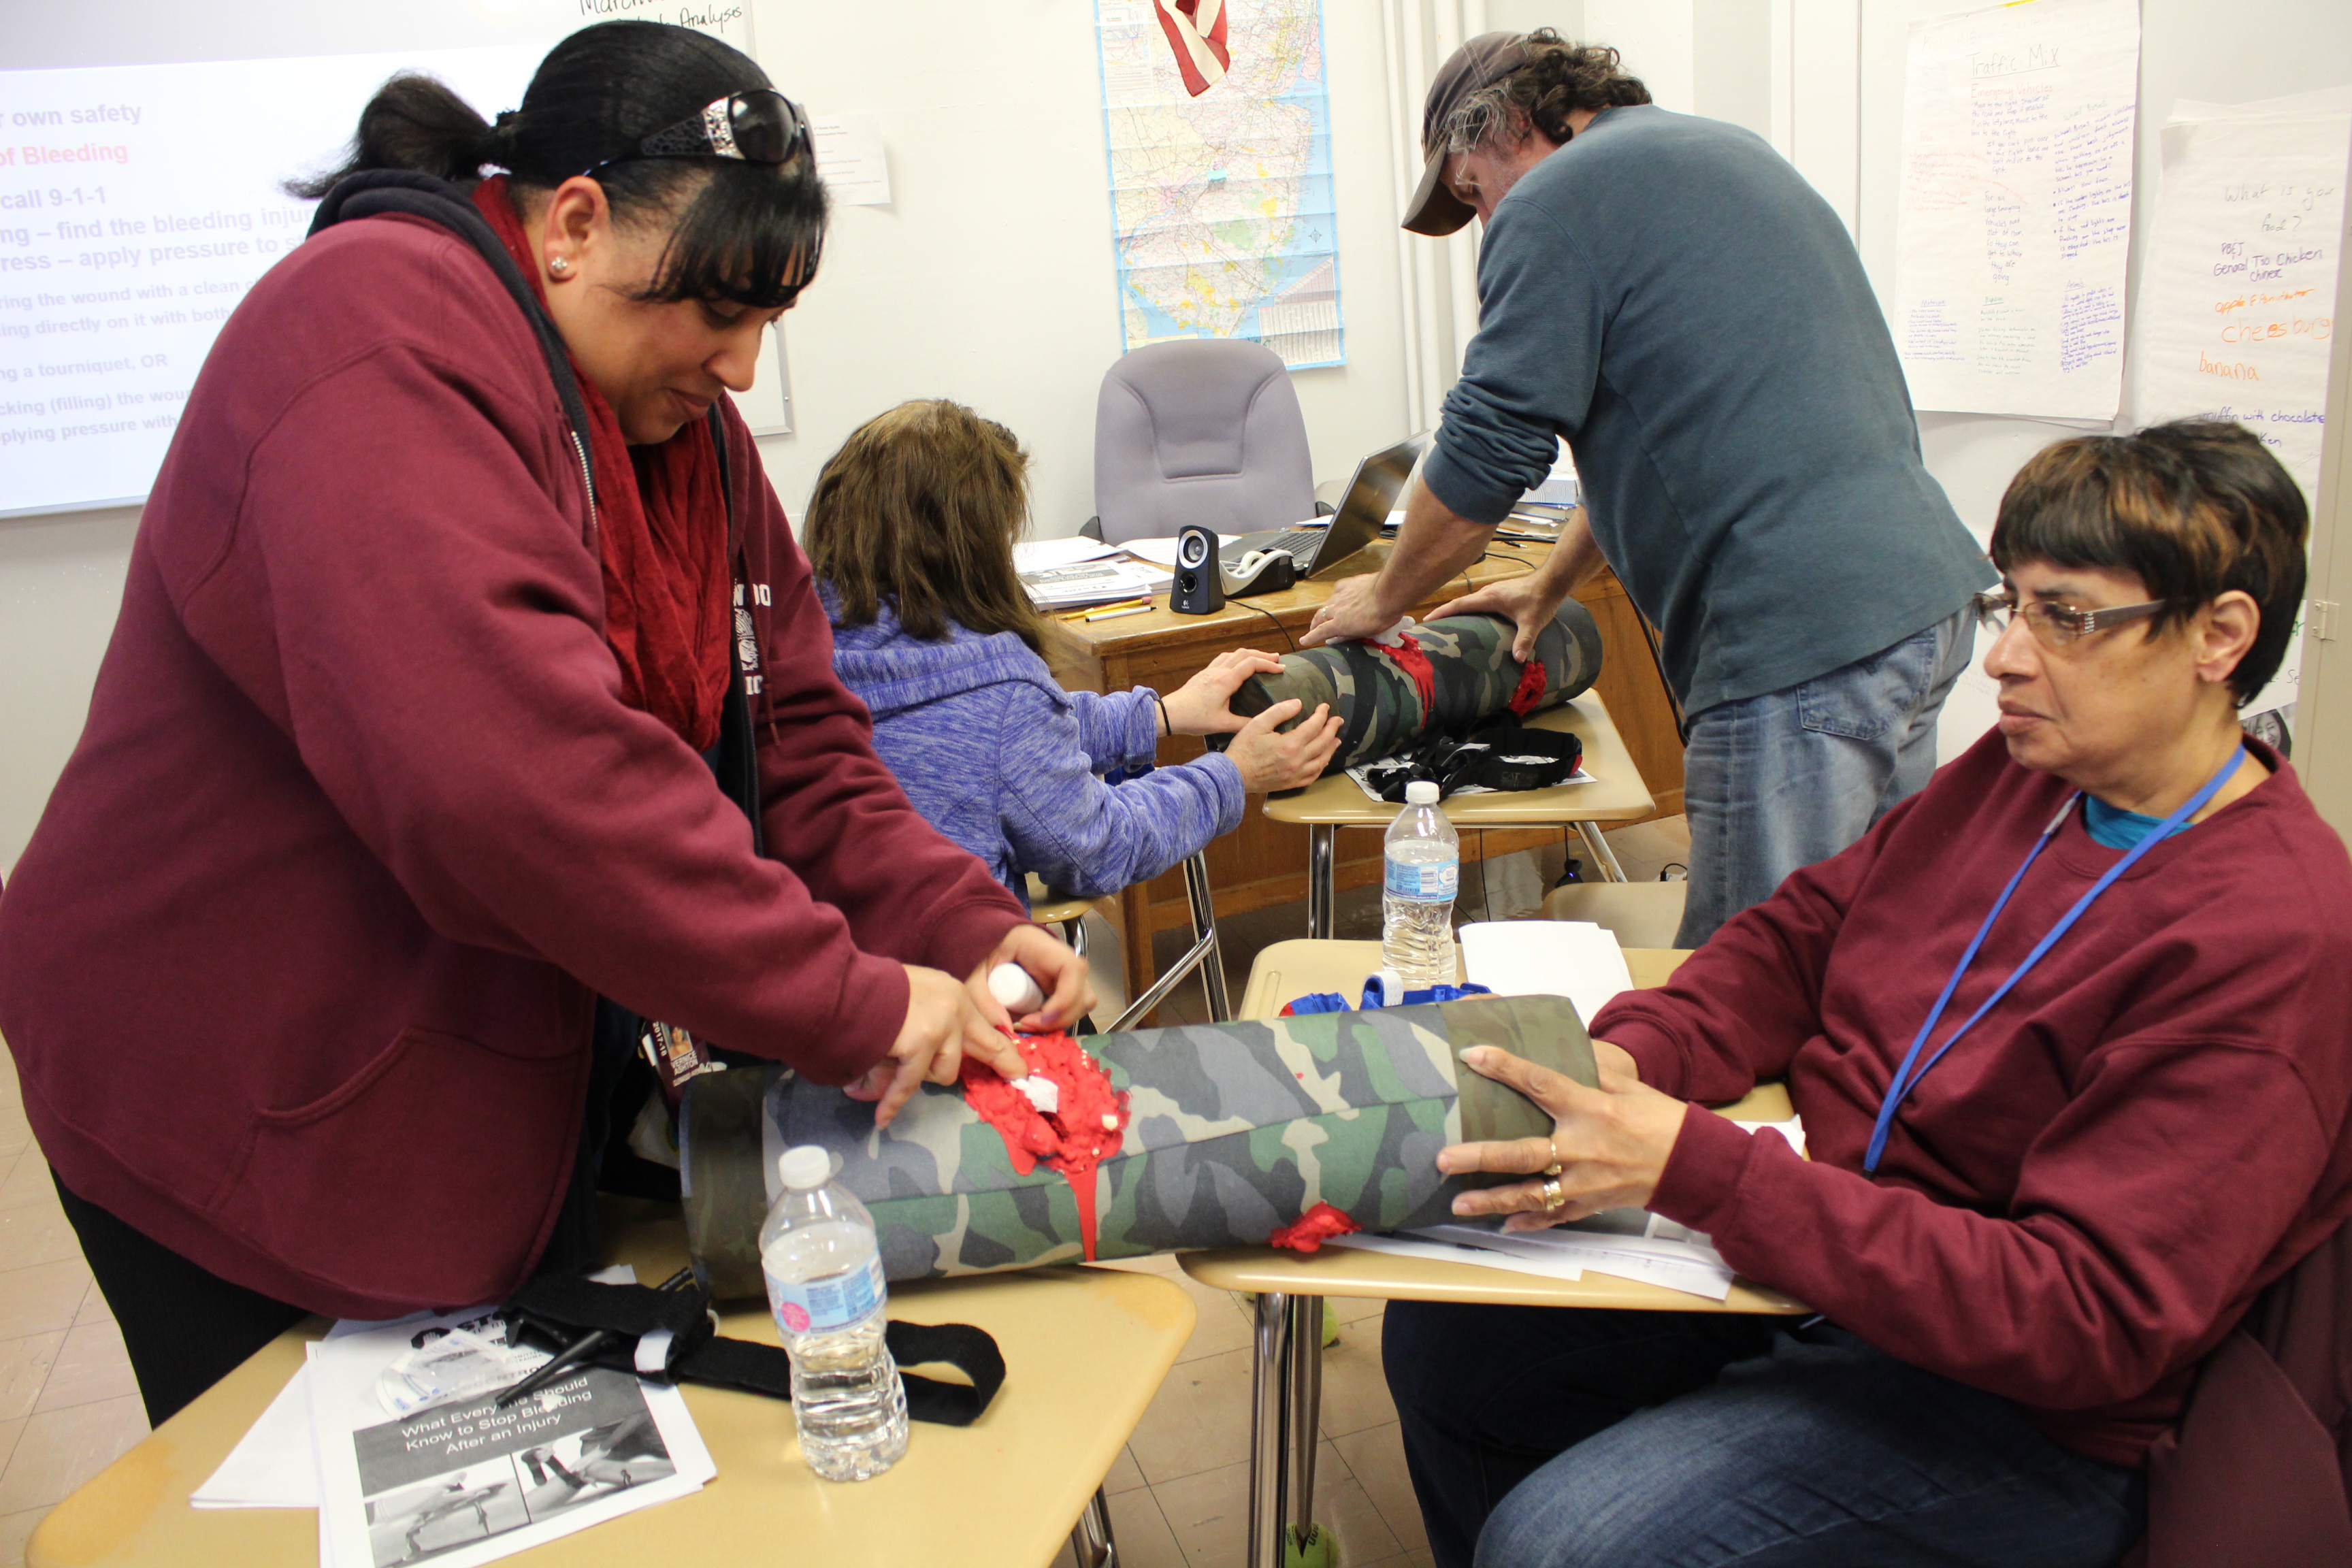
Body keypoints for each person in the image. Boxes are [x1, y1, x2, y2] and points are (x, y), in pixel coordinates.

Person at [0, 22, 1088, 1426]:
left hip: (467, 1081)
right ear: (574, 223)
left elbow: (804, 741)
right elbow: (510, 786)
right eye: (715, 313)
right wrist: (854, 1004)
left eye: (772, 320)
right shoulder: (367, 339)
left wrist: (956, 922)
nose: (745, 368)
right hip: (243, 1082)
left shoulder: (677, 429)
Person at [1380, 421, 2352, 1567]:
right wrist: (1643, 1053)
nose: (2005, 659)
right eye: (2012, 607)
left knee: (1563, 1542)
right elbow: (1808, 932)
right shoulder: (2028, 773)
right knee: (1450, 1338)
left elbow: (2085, 1313)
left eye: (2068, 616)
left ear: (2220, 637)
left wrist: (1702, 1167)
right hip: (1840, 1261)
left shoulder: (2271, 934)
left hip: (2029, 1405)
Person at [1302, 31, 1993, 946]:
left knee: (1745, 982)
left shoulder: (1553, 202)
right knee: (1870, 948)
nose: (1481, 221)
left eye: (1473, 190)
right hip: (1921, 608)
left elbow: (1486, 453)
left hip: (1799, 639)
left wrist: (1386, 596)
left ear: (1513, 122)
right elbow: (1671, 432)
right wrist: (1550, 584)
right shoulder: (1725, 151)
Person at [802, 399, 1343, 906]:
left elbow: (999, 738)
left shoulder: (800, 656)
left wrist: (1159, 714)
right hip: (969, 986)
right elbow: (1101, 847)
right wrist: (1233, 772)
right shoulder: (998, 700)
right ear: (972, 546)